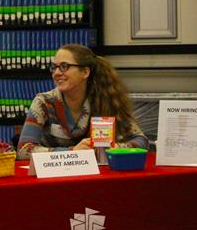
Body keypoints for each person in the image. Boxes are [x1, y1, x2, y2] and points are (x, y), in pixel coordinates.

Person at [18, 44, 148, 157]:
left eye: (64, 66)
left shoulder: (104, 99)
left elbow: (141, 141)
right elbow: (24, 150)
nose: (56, 73)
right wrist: (73, 152)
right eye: (54, 67)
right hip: (56, 177)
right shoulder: (44, 102)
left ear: (85, 72)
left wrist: (113, 149)